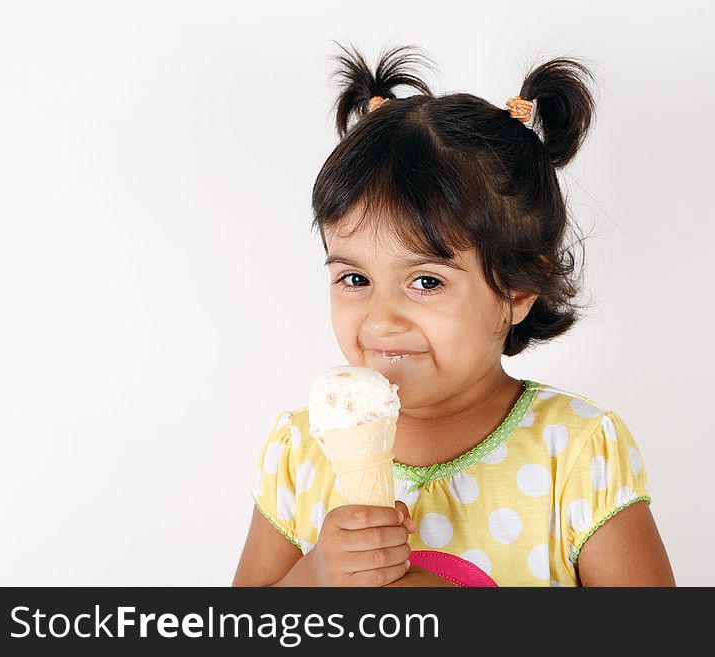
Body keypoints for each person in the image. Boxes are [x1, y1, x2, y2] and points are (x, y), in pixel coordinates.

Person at [233, 42, 675, 587]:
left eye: (425, 281)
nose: (381, 320)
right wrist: (315, 576)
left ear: (517, 288)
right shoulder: (301, 451)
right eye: (355, 279)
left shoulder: (577, 453)